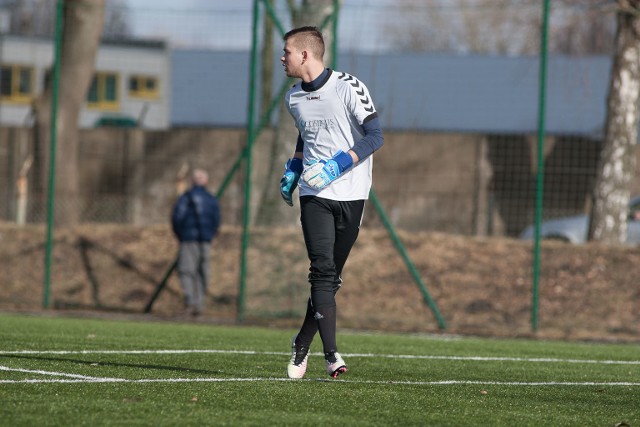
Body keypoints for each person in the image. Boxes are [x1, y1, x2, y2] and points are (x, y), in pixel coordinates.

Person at [279, 26, 384, 379]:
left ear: (305, 55)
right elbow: (307, 132)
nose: (283, 58)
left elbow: (376, 136)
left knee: (331, 279)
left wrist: (339, 163)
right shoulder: (293, 98)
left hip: (352, 193)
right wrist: (296, 165)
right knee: (321, 271)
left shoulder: (348, 87)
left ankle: (302, 340)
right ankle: (332, 355)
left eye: (287, 52)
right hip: (314, 194)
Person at [171, 168, 221, 317]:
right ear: (206, 181)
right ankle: (198, 303)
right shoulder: (212, 199)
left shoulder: (185, 197)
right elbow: (217, 220)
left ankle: (190, 301)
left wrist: (181, 234)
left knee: (187, 270)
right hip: (205, 240)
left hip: (188, 238)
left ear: (193, 181)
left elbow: (177, 218)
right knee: (202, 271)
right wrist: (210, 234)